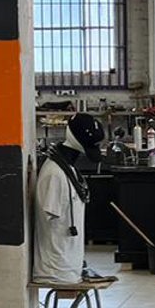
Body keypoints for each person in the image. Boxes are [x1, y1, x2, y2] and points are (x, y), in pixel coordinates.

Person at [34, 111, 112, 287]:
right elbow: (49, 220)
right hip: (55, 270)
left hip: (70, 266)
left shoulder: (68, 170)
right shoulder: (54, 174)